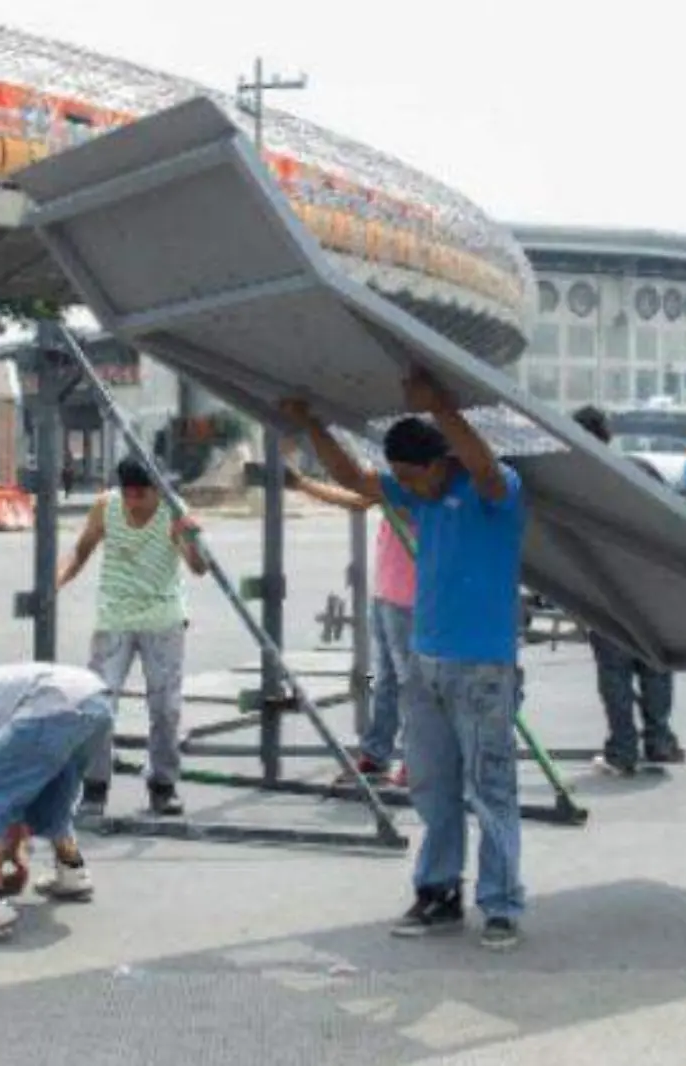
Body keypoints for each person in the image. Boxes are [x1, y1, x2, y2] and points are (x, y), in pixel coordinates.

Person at [283, 368, 528, 951]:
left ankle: (500, 904)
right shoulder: (415, 490)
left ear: (441, 462)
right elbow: (352, 477)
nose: (406, 489)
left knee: (491, 789)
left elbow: (486, 467)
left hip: (484, 670)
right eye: (401, 479)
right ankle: (439, 891)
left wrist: (441, 407)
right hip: (427, 664)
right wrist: (311, 425)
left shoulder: (495, 492)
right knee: (433, 787)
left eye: (413, 477)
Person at [60, 457, 208, 817]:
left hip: (163, 618)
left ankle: (163, 784)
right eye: (128, 493)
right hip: (115, 618)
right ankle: (95, 786)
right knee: (97, 703)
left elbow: (199, 568)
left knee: (165, 707)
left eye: (141, 494)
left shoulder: (175, 510)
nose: (133, 502)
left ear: (156, 489)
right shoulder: (106, 506)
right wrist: (56, 582)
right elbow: (81, 550)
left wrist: (191, 537)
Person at [0, 664, 114, 941]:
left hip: (55, 704)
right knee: (52, 789)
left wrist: (3, 851)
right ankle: (71, 871)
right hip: (95, 701)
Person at [284, 457, 415, 787]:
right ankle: (376, 755)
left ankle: (418, 760)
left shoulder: (421, 487)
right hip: (386, 594)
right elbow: (356, 499)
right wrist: (303, 484)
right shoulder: (395, 483)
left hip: (411, 599)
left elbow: (359, 493)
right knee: (384, 682)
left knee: (410, 686)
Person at [572, 407, 683, 775]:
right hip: (652, 588)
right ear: (608, 435)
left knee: (614, 670)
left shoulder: (577, 482)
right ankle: (660, 741)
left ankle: (623, 750)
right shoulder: (642, 470)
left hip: (606, 591)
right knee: (654, 665)